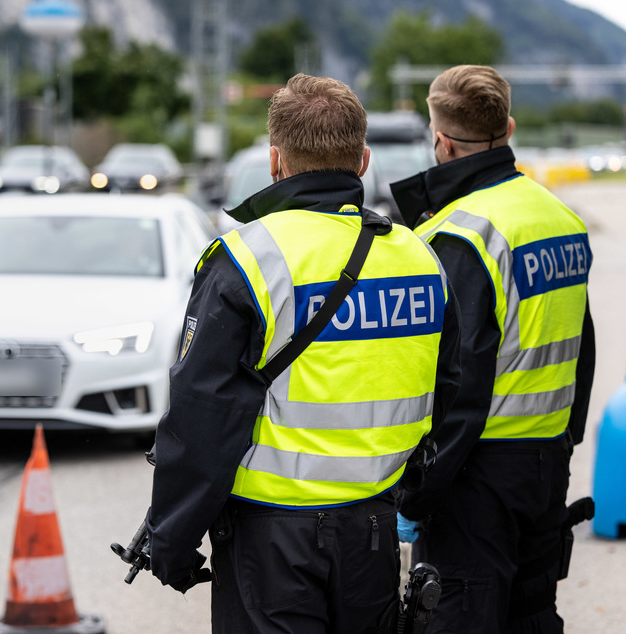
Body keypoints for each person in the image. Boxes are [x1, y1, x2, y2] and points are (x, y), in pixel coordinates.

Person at [145, 73, 462, 633]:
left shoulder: (248, 258)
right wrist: (408, 496)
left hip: (271, 541)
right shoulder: (420, 257)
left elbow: (201, 414)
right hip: (372, 528)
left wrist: (171, 537)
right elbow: (452, 391)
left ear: (275, 161)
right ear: (363, 161)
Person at [390, 65, 596, 633]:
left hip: (475, 477)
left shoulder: (460, 236)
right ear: (507, 127)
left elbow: (461, 385)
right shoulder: (560, 219)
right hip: (545, 462)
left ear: (441, 140)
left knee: (463, 619)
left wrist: (418, 495)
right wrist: (564, 442)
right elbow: (583, 349)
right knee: (531, 617)